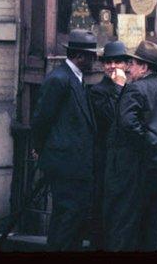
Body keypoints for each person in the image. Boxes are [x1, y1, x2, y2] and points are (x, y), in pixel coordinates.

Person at [104, 41, 157, 251]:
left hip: (137, 172)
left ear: (144, 67)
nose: (127, 68)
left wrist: (153, 146)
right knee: (154, 230)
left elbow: (128, 125)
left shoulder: (135, 90)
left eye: (131, 63)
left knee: (125, 228)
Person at [30, 29, 99, 251]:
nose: (94, 61)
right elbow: (41, 118)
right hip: (65, 164)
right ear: (79, 56)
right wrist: (39, 148)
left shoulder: (75, 79)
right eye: (91, 56)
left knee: (74, 218)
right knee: (67, 218)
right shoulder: (59, 79)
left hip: (76, 164)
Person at [87, 40, 129, 250]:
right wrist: (118, 87)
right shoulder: (97, 91)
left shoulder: (133, 87)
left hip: (127, 162)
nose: (113, 66)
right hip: (105, 161)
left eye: (118, 62)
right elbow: (112, 117)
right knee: (104, 213)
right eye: (109, 62)